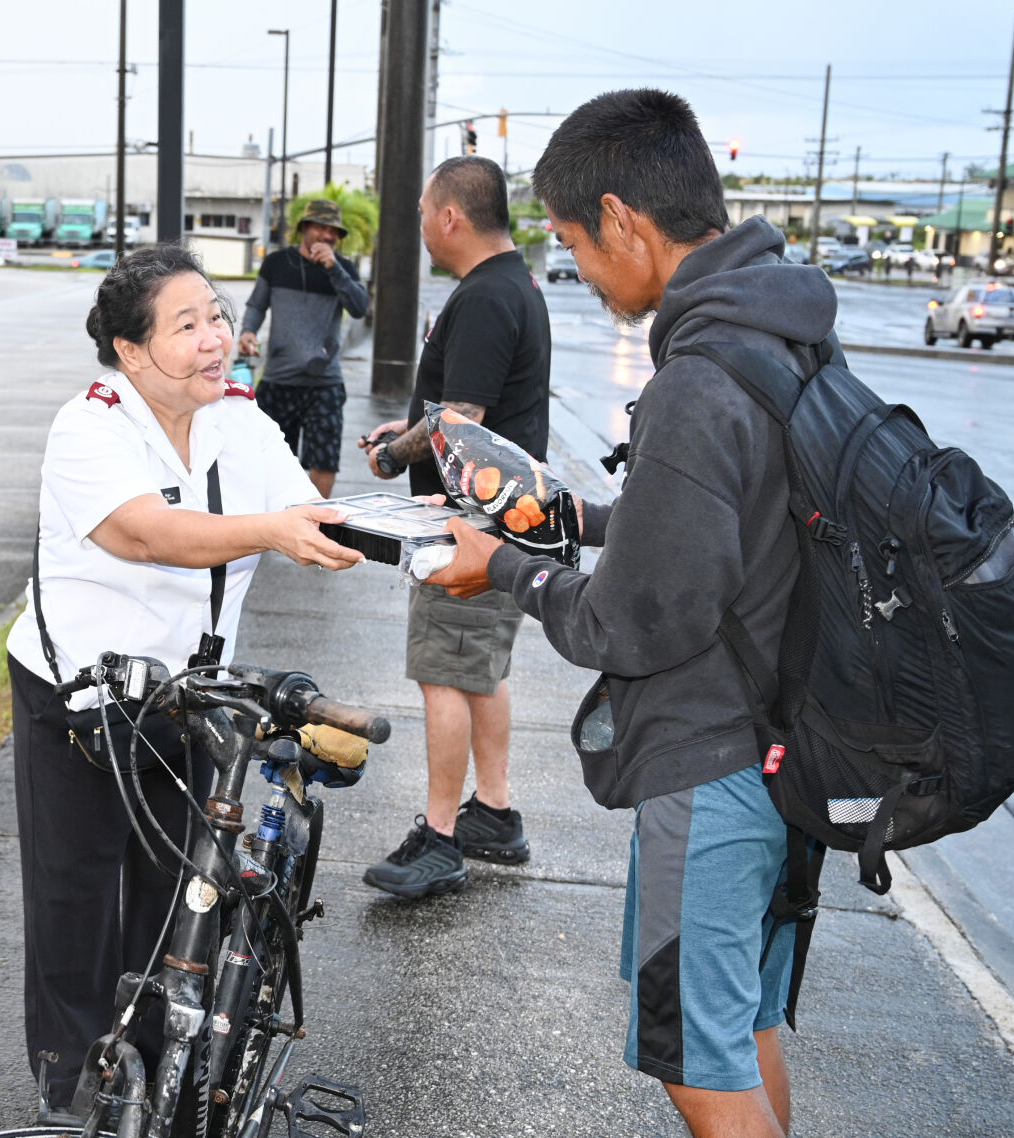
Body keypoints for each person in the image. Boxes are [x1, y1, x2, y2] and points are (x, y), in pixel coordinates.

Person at [428, 89, 835, 1138]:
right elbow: (735, 516)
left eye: (569, 239)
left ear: (618, 219)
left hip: (709, 765)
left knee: (693, 1063)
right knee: (739, 1029)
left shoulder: (699, 376)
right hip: (787, 750)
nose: (579, 266)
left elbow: (628, 624)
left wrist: (506, 570)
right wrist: (585, 516)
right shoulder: (778, 331)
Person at [6, 245, 362, 1112]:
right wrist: (273, 532)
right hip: (82, 700)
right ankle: (70, 1090)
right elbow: (144, 533)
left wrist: (423, 529)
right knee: (74, 897)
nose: (218, 339)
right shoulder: (88, 425)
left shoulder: (238, 417)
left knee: (178, 892)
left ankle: (157, 1079)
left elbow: (306, 512)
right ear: (131, 352)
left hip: (191, 700)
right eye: (188, 324)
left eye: (217, 316)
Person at [356, 155, 551, 899]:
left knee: (445, 671)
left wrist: (391, 456)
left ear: (450, 217)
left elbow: (462, 418)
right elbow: (462, 409)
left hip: (471, 525)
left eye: (421, 214)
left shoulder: (483, 298)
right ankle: (493, 814)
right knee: (479, 672)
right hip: (504, 519)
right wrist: (408, 430)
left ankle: (440, 839)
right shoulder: (514, 285)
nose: (422, 230)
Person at [238, 199, 371, 497]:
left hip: (324, 384)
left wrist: (334, 268)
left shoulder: (343, 268)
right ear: (304, 229)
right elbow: (257, 305)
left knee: (324, 462)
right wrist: (248, 331)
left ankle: (318, 529)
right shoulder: (276, 264)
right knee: (268, 460)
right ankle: (275, 526)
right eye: (322, 227)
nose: (328, 235)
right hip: (278, 380)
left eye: (334, 231)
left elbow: (361, 308)